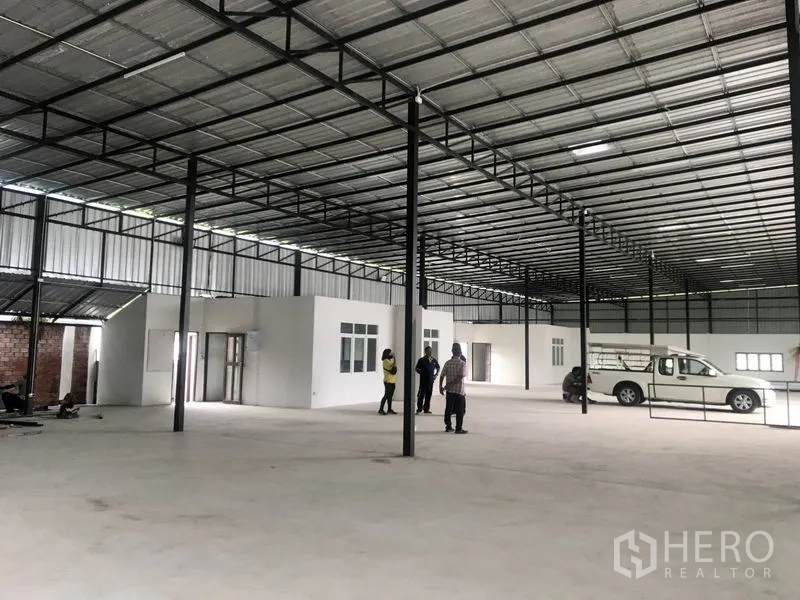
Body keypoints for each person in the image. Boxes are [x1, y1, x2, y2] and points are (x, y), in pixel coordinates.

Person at [439, 343, 468, 434]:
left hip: (450, 392)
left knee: (448, 409)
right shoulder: (462, 364)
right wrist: (448, 385)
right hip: (459, 391)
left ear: (452, 352)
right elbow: (459, 377)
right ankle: (458, 428)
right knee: (460, 411)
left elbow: (442, 375)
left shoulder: (447, 363)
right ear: (460, 353)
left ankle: (448, 426)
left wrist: (441, 386)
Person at [415, 346, 440, 414]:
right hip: (423, 381)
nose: (430, 352)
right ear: (425, 351)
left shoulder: (433, 360)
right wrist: (422, 373)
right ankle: (419, 409)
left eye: (431, 351)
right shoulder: (421, 360)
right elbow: (416, 368)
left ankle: (426, 409)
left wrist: (436, 375)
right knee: (421, 395)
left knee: (428, 395)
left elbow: (438, 367)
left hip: (431, 381)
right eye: (429, 351)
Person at [379, 348, 397, 415]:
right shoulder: (386, 361)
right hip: (388, 380)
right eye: (390, 353)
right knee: (386, 395)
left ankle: (389, 409)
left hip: (392, 380)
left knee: (390, 396)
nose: (391, 354)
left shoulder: (389, 360)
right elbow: (393, 367)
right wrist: (394, 358)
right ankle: (381, 409)